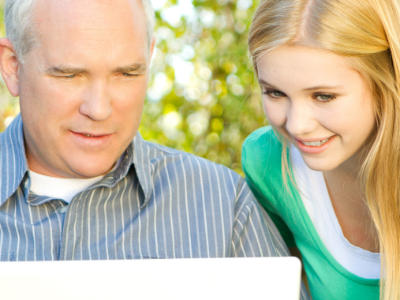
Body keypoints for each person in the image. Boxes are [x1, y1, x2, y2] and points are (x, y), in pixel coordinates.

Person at [0, 2, 313, 295]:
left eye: (127, 73)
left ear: (149, 59)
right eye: (70, 74)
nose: (98, 109)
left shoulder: (224, 205)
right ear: (12, 67)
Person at [242, 0, 400, 299]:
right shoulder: (268, 163)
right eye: (275, 93)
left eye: (324, 96)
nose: (297, 126)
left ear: (387, 79)